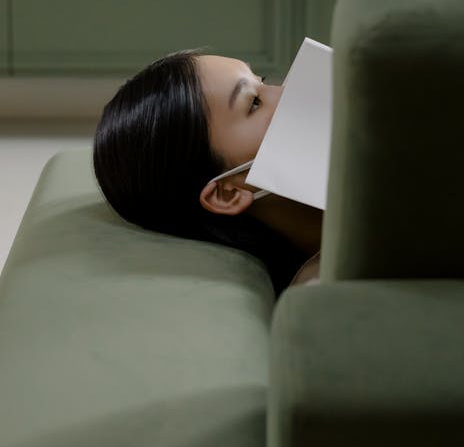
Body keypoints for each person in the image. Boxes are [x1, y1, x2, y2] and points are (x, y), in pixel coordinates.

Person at [93, 50, 323, 294]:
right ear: (228, 193)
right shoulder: (326, 287)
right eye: (254, 102)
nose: (286, 92)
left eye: (263, 81)